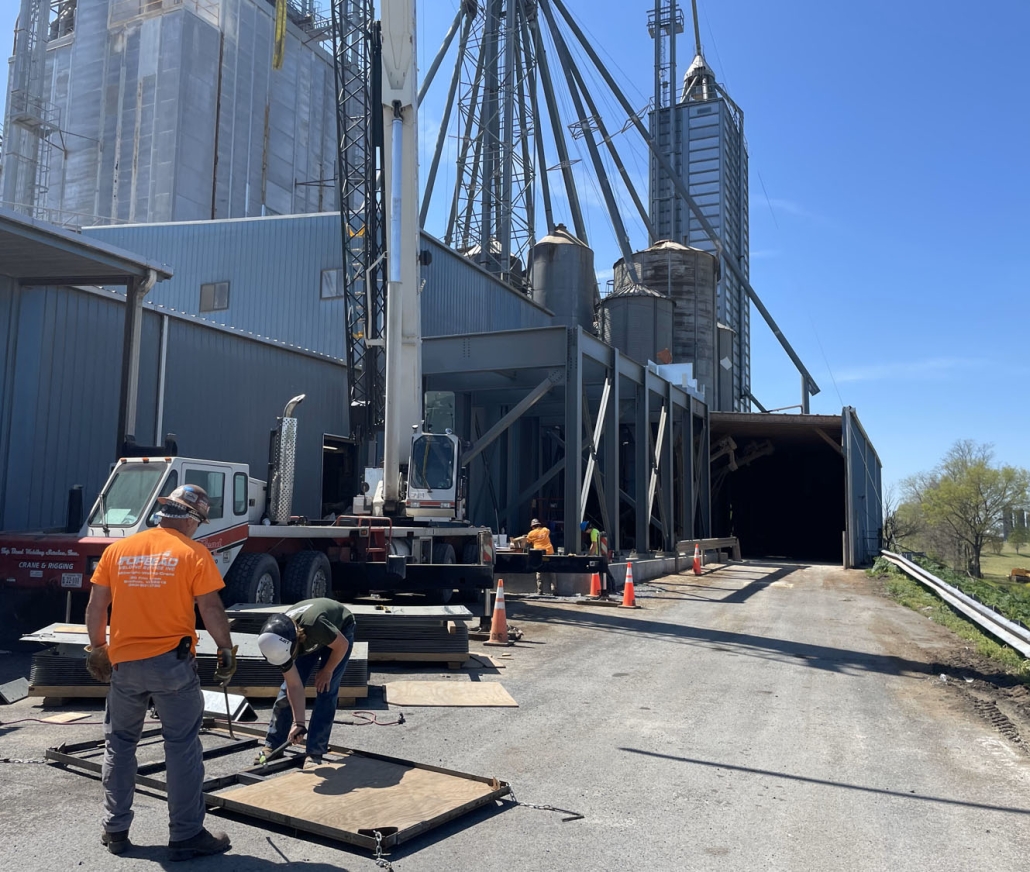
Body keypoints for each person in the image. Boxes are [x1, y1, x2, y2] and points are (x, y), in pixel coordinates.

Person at [84, 484, 236, 861]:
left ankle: (115, 830)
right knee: (182, 747)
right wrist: (226, 648)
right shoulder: (194, 554)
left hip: (125, 665)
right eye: (198, 522)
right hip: (172, 665)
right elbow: (211, 609)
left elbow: (96, 605)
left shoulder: (118, 550)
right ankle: (186, 836)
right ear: (192, 518)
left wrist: (98, 647)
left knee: (120, 743)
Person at [256, 597, 356, 767]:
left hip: (339, 631)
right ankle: (273, 746)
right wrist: (299, 723)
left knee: (326, 689)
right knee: (286, 690)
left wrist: (327, 671)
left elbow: (342, 645)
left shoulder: (315, 625)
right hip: (307, 636)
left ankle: (315, 752)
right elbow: (294, 685)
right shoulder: (277, 638)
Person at [525, 518, 556, 596]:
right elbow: (548, 532)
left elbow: (527, 543)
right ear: (539, 525)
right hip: (549, 552)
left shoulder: (531, 533)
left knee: (539, 571)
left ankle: (540, 590)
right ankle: (554, 590)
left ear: (532, 526)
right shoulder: (545, 530)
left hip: (538, 553)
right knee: (552, 571)